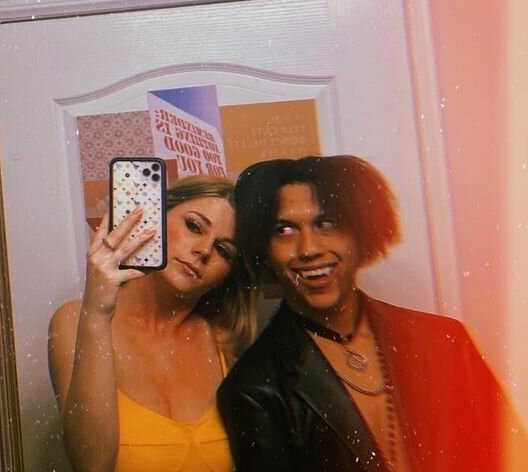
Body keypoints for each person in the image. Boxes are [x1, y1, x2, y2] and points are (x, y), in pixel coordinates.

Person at [218, 155, 527, 471]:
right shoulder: (255, 387)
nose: (309, 248)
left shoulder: (443, 340)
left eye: (327, 223)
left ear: (361, 231)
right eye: (284, 230)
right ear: (264, 248)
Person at [48, 175, 256, 472]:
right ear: (154, 217)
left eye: (224, 250)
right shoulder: (75, 320)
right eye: (194, 226)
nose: (204, 250)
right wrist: (97, 313)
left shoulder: (224, 339)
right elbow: (91, 465)